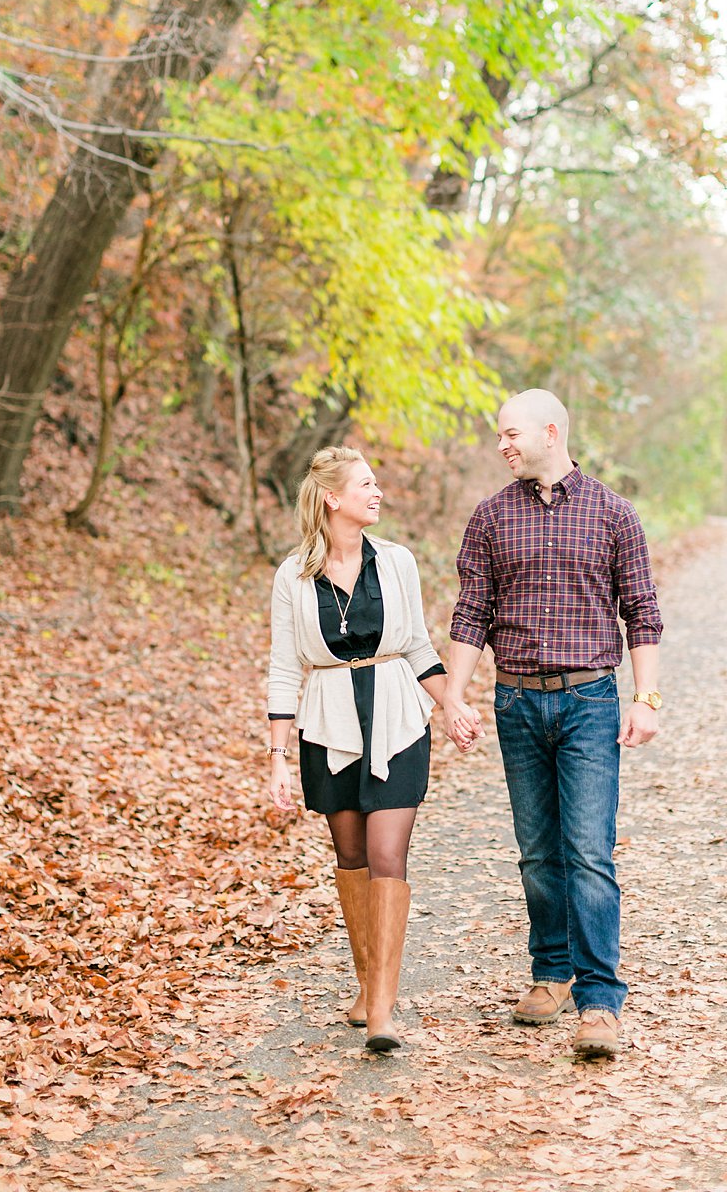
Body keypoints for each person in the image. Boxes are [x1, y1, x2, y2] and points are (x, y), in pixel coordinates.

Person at [437, 388, 663, 1061]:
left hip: (590, 702)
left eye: (511, 434)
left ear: (550, 430)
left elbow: (642, 614)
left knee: (588, 852)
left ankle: (599, 1000)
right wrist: (454, 697)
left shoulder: (613, 514)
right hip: (517, 704)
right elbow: (471, 614)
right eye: (499, 437)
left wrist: (645, 700)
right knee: (537, 852)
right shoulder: (490, 518)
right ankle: (552, 971)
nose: (503, 446)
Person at [266, 448, 475, 1052]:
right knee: (351, 855)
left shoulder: (398, 563)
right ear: (333, 497)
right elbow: (284, 668)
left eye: (377, 482)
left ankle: (382, 1010)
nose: (377, 492)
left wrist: (452, 702)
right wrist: (277, 755)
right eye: (366, 484)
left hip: (396, 720)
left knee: (388, 854)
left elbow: (416, 645)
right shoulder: (293, 576)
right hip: (328, 723)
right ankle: (366, 985)